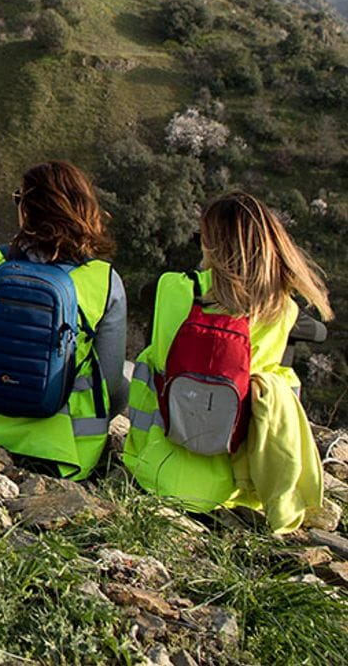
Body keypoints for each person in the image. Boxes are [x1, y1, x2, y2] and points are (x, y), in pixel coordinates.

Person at [123, 191, 333, 531]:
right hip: (235, 494)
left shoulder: (172, 289)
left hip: (155, 475)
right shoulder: (281, 310)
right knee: (276, 378)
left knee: (151, 362)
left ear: (211, 243)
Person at [0, 160, 127, 480]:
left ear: (27, 211)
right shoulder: (105, 280)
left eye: (20, 199)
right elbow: (109, 383)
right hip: (66, 452)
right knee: (124, 374)